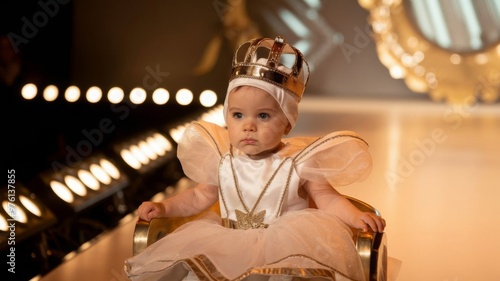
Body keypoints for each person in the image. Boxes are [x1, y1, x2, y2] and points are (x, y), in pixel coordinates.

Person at [124, 36, 386, 281]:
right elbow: (198, 197)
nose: (249, 126)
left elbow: (327, 199)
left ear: (287, 123)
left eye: (263, 116)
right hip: (227, 242)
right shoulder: (223, 159)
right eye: (238, 115)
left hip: (285, 246)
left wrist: (354, 217)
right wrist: (164, 208)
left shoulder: (299, 161)